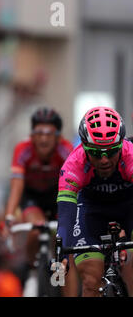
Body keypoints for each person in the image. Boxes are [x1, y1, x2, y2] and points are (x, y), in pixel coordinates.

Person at [0, 107, 77, 295]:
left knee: (64, 250)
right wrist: (9, 217)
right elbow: (16, 186)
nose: (43, 138)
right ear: (31, 135)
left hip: (58, 198)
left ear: (59, 137)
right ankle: (34, 269)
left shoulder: (67, 150)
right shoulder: (23, 150)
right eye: (38, 133)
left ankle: (61, 280)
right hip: (32, 197)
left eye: (49, 133)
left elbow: (75, 187)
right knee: (36, 228)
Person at [57, 106, 133, 297]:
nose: (105, 160)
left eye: (111, 151)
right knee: (91, 279)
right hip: (91, 211)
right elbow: (66, 216)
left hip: (128, 207)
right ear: (84, 147)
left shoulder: (131, 156)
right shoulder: (74, 164)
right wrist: (63, 254)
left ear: (121, 145)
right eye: (97, 153)